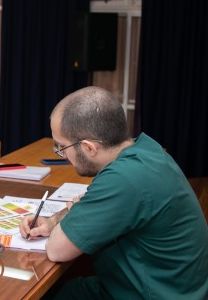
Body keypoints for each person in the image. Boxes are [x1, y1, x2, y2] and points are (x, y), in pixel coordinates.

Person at [19, 86, 208, 299]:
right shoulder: (147, 150)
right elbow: (90, 204)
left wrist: (76, 212)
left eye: (62, 147)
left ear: (89, 148)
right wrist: (53, 221)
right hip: (171, 286)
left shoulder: (123, 178)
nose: (62, 155)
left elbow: (56, 250)